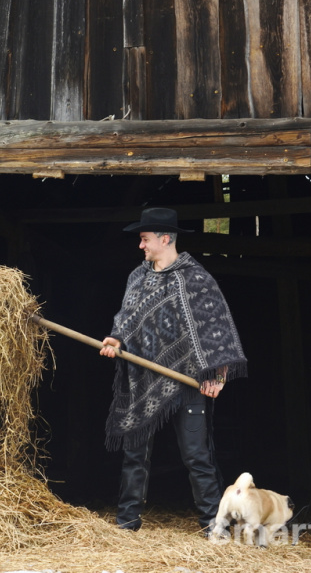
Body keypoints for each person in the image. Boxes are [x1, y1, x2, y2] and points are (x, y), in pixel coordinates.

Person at [99, 207, 247, 532]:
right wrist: (116, 339)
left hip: (187, 381)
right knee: (135, 454)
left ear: (165, 239)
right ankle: (127, 521)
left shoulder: (195, 278)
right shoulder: (137, 277)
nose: (141, 245)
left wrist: (218, 376)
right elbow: (127, 318)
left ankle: (214, 524)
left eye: (145, 239)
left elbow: (215, 327)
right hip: (143, 380)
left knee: (196, 455)